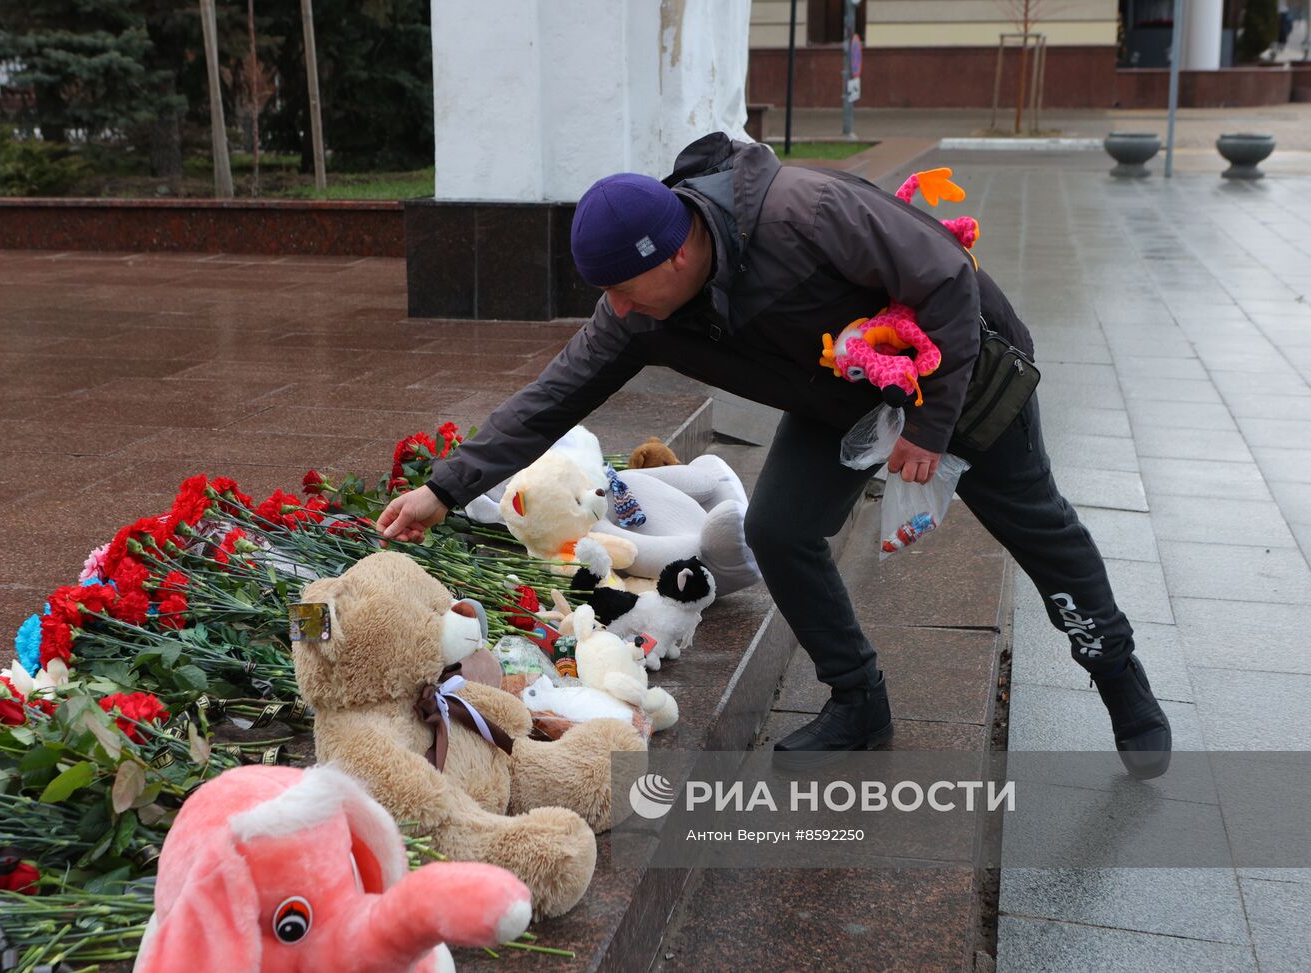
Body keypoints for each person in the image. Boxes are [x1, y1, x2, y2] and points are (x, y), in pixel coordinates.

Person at [378, 132, 1172, 778]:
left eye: (623, 289)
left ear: (676, 254)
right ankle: (858, 698)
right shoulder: (640, 311)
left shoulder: (804, 213)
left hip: (958, 373)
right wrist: (444, 489)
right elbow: (554, 394)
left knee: (1039, 530)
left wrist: (930, 428)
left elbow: (946, 281)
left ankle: (1116, 672)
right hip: (842, 399)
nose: (614, 310)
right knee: (780, 530)